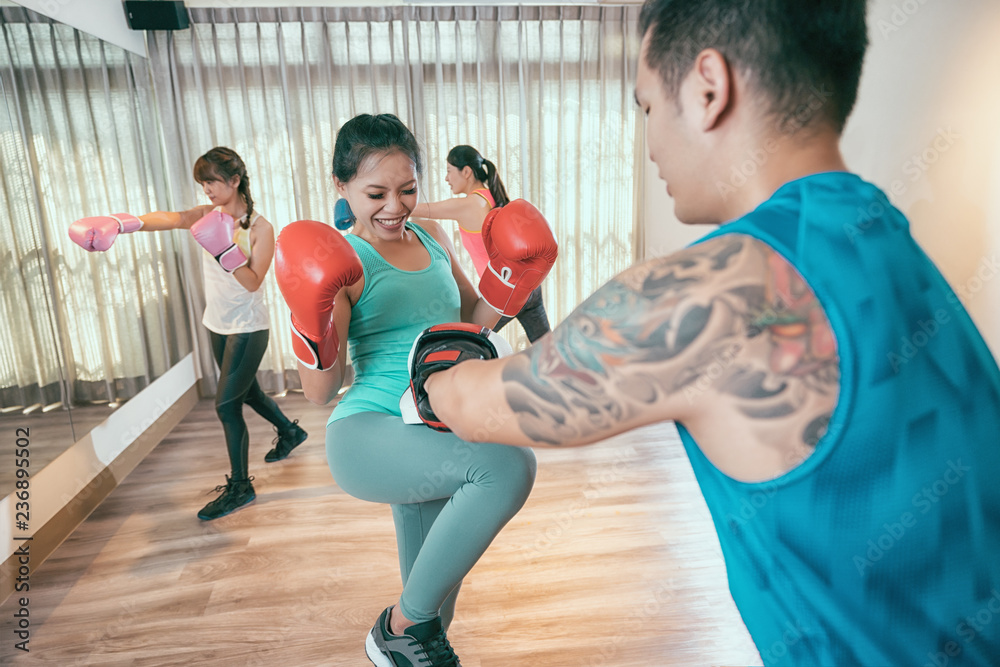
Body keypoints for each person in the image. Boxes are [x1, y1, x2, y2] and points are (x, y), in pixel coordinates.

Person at [414, 1, 1000, 665]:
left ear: (707, 88)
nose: (651, 141)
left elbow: (478, 405)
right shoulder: (890, 236)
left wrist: (431, 367)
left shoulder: (718, 292)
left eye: (646, 108)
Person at [273, 114, 555, 666]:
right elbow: (319, 392)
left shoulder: (432, 237)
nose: (394, 207)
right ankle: (392, 628)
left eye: (407, 190)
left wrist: (511, 279)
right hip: (370, 428)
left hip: (434, 417)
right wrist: (309, 320)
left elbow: (473, 323)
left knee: (433, 612)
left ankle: (406, 632)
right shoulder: (347, 263)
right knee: (506, 466)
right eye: (375, 193)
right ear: (342, 187)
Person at [68, 147, 308, 521]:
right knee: (249, 392)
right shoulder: (206, 215)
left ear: (234, 180)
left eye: (212, 181)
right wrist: (120, 222)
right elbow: (170, 217)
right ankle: (289, 433)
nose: (207, 190)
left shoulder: (260, 227)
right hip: (217, 322)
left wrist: (224, 248)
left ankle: (241, 487)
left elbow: (253, 282)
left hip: (248, 327)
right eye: (203, 183)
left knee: (226, 404)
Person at [411, 145, 552, 343]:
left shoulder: (469, 205)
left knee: (467, 342)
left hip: (506, 291)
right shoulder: (492, 195)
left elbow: (416, 209)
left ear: (466, 171)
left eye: (449, 171)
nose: (446, 178)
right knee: (547, 346)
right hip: (529, 288)